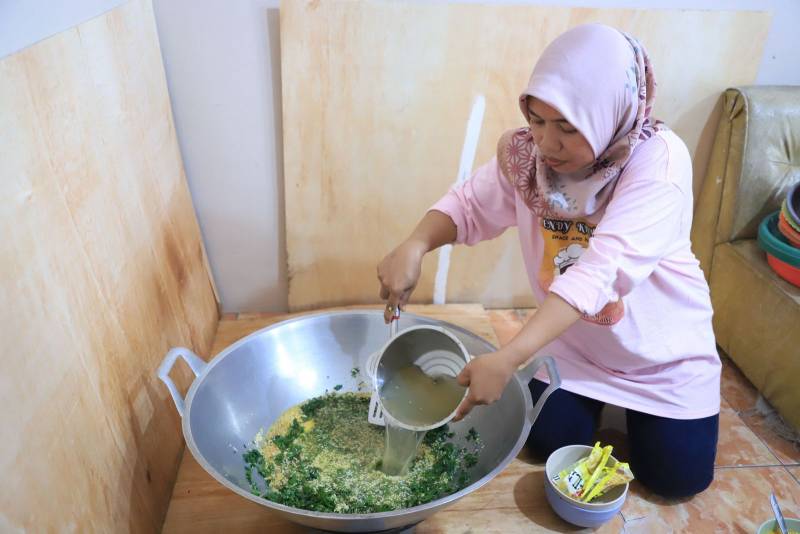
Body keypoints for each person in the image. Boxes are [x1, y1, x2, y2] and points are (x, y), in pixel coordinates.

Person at [377, 23, 720, 499]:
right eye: (537, 119)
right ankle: (600, 403)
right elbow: (469, 205)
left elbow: (600, 272)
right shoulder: (527, 159)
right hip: (576, 346)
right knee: (544, 442)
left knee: (676, 479)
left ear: (610, 114)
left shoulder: (658, 162)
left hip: (663, 359)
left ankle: (641, 413)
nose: (547, 143)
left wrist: (509, 357)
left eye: (567, 127)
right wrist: (415, 244)